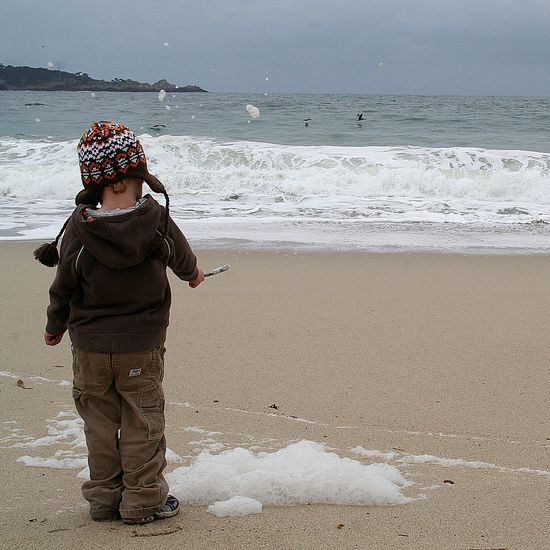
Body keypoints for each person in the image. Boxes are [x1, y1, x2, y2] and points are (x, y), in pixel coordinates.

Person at [35, 121, 204, 525]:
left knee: (99, 424)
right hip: (140, 348)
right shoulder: (155, 220)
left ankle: (104, 499)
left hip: (90, 347)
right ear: (137, 175)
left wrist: (54, 326)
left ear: (95, 183)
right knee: (142, 422)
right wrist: (193, 275)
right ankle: (143, 500)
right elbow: (182, 256)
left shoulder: (80, 228)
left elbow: (64, 286)